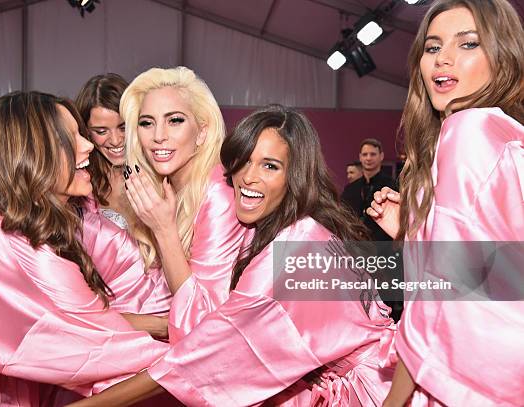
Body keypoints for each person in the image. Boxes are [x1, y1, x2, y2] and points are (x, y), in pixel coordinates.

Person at [69, 104, 397, 407]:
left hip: (373, 393)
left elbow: (199, 359)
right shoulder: (296, 229)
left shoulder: (294, 249)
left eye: (270, 166)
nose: (248, 177)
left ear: (295, 176)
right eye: (243, 160)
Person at [0, 91, 172, 405]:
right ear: (34, 154)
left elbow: (82, 320)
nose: (89, 144)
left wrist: (162, 324)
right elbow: (108, 349)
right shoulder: (29, 254)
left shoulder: (0, 223)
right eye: (72, 137)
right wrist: (198, 357)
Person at [367, 0, 524, 405]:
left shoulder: (468, 130)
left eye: (468, 44)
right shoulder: (503, 132)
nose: (444, 59)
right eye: (433, 48)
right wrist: (416, 228)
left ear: (502, 57)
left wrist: (394, 400)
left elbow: (446, 298)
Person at [119, 66, 248, 343]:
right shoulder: (165, 190)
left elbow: (204, 321)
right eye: (146, 123)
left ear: (201, 133)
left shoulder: (218, 194)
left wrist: (163, 229)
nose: (158, 136)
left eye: (174, 120)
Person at [75, 73, 132, 229]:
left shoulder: (161, 173)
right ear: (85, 131)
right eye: (101, 131)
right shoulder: (79, 181)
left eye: (123, 127)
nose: (115, 140)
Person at [341, 138, 397, 242]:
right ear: (360, 157)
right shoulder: (350, 189)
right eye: (365, 154)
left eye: (373, 154)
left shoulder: (392, 187)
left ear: (381, 156)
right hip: (354, 247)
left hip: (383, 248)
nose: (368, 158)